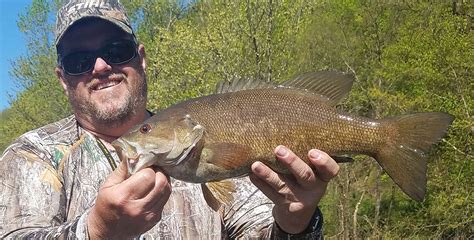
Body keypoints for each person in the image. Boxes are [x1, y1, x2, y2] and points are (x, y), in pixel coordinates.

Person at [0, 0, 340, 239]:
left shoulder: (205, 140)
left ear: (142, 58)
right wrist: (95, 232)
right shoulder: (33, 155)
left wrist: (296, 224)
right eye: (80, 59)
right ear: (62, 79)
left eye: (117, 50)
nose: (101, 67)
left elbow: (258, 230)